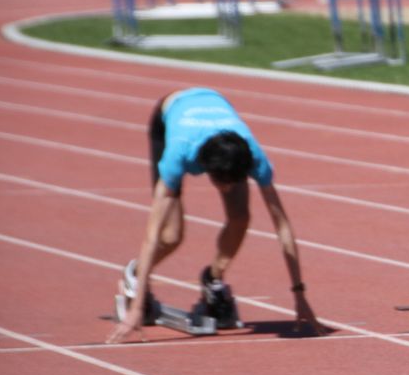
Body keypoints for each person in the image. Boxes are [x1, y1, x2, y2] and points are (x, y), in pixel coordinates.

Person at [106, 88, 325, 343]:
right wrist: (134, 310)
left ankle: (213, 279)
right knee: (171, 235)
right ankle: (135, 273)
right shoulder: (179, 154)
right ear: (206, 170)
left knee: (240, 217)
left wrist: (299, 294)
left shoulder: (254, 156)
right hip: (170, 114)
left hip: (218, 119)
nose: (228, 188)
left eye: (234, 182)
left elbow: (283, 228)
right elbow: (151, 234)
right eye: (223, 183)